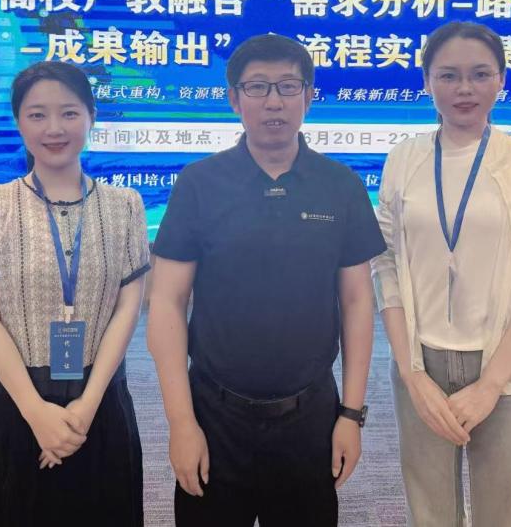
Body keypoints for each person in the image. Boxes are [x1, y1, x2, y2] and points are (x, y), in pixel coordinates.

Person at [147, 33, 385, 527]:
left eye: (287, 86)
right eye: (257, 87)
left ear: (308, 96)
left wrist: (351, 415)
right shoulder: (199, 183)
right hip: (215, 415)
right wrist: (181, 423)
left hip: (310, 416)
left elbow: (358, 302)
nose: (273, 101)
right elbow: (167, 301)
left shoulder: (340, 185)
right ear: (234, 99)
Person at [372, 21, 511, 527]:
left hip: (505, 363)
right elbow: (385, 262)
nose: (464, 89)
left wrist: (491, 385)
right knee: (429, 514)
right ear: (426, 81)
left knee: (503, 513)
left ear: (501, 80)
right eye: (448, 75)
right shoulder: (403, 158)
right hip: (421, 359)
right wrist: (411, 372)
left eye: (480, 74)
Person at [0, 61, 149, 527]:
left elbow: (127, 310)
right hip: (15, 404)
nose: (54, 128)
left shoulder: (125, 205)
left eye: (69, 112)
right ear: (19, 121)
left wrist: (86, 405)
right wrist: (37, 414)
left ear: (91, 117)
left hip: (100, 401)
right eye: (37, 114)